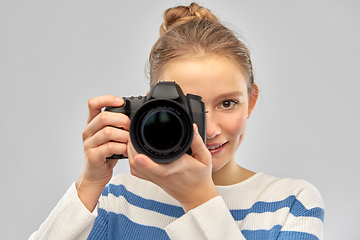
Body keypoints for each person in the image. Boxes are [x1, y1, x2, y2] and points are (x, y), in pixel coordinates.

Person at [30, 2, 324, 240]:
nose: (211, 129)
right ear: (153, 108)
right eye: (189, 107)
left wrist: (199, 200)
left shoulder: (294, 204)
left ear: (252, 101)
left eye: (228, 103)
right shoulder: (120, 198)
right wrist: (89, 184)